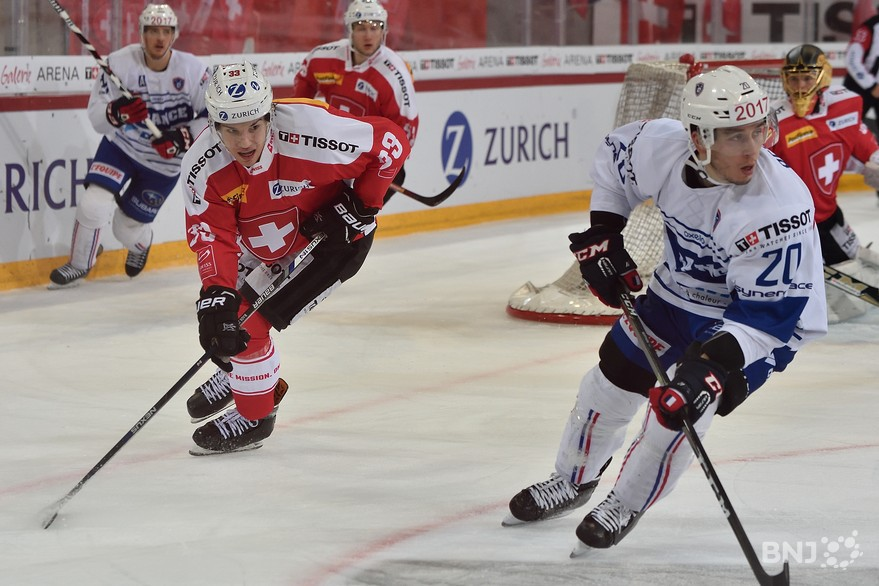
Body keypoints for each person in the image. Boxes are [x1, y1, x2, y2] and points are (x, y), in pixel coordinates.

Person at [503, 66, 827, 554]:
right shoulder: (660, 145)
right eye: (733, 136)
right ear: (697, 137)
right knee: (607, 382)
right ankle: (572, 480)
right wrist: (603, 234)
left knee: (677, 412)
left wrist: (712, 368)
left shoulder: (777, 205)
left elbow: (769, 317)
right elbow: (614, 168)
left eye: (757, 130)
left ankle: (624, 503)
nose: (752, 149)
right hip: (674, 297)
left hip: (759, 324)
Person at [181, 62, 409, 455]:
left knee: (247, 324)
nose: (245, 141)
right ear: (214, 126)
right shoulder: (202, 166)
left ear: (270, 115)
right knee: (223, 314)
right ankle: (245, 371)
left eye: (254, 126)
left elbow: (392, 143)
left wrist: (361, 204)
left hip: (331, 240)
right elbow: (213, 236)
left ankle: (257, 416)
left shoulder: (311, 132)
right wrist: (216, 292)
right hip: (265, 244)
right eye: (231, 130)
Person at [48, 3, 210, 289]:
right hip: (123, 147)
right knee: (93, 204)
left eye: (166, 31)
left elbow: (213, 117)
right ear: (141, 33)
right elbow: (97, 117)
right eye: (152, 31)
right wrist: (116, 113)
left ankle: (141, 243)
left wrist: (182, 138)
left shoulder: (193, 70)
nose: (159, 38)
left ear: (174, 34)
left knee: (124, 229)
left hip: (164, 163)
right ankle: (79, 264)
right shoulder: (119, 63)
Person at [772, 43, 879, 323]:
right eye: (794, 78)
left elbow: (864, 147)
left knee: (856, 264)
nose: (799, 86)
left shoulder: (845, 106)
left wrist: (874, 161)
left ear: (822, 78)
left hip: (829, 215)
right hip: (791, 225)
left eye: (807, 78)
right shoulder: (774, 121)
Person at [291, 0, 417, 203]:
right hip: (332, 149)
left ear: (384, 31)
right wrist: (300, 125)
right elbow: (304, 85)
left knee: (358, 213)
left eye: (374, 28)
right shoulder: (324, 57)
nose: (368, 35)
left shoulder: (394, 75)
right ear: (350, 30)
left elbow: (406, 129)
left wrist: (385, 163)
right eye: (361, 28)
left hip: (370, 156)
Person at [844, 8, 879, 200]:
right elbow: (852, 58)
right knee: (847, 131)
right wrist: (871, 85)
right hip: (859, 89)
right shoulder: (870, 27)